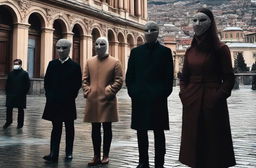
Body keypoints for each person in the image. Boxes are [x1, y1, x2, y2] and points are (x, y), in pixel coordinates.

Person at [179, 8, 236, 168]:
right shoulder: (190, 51)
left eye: (202, 20)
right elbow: (184, 77)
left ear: (211, 23)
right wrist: (184, 94)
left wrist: (217, 97)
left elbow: (229, 78)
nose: (197, 24)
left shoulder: (221, 49)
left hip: (212, 102)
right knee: (194, 143)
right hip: (192, 102)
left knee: (214, 145)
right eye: (194, 20)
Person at [126, 21, 174, 168]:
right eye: (146, 30)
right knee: (141, 132)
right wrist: (133, 92)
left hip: (158, 99)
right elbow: (130, 77)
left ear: (158, 32)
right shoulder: (135, 52)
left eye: (152, 30)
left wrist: (163, 93)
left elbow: (169, 78)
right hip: (140, 98)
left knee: (159, 133)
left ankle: (159, 163)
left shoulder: (165, 52)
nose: (149, 33)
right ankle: (143, 162)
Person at [83, 37, 123, 166]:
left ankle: (105, 154)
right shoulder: (89, 61)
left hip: (107, 99)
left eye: (102, 44)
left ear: (107, 46)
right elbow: (85, 79)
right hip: (93, 99)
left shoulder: (115, 62)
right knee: (95, 128)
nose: (99, 46)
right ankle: (96, 155)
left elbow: (119, 79)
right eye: (97, 44)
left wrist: (110, 90)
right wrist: (87, 90)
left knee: (107, 128)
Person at [42, 39, 82, 163]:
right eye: (58, 48)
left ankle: (69, 152)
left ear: (69, 49)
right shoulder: (52, 64)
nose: (60, 50)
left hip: (68, 102)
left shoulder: (75, 66)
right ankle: (53, 152)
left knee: (69, 127)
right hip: (54, 102)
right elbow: (47, 82)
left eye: (63, 48)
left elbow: (77, 84)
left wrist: (70, 96)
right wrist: (49, 96)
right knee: (56, 128)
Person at [3, 59, 30, 129]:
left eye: (17, 64)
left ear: (20, 65)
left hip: (20, 95)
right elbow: (7, 83)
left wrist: (24, 92)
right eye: (14, 64)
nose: (15, 65)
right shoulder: (11, 73)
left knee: (20, 109)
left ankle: (20, 124)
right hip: (11, 94)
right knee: (9, 108)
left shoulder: (24, 73)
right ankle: (8, 121)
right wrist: (7, 92)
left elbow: (27, 84)